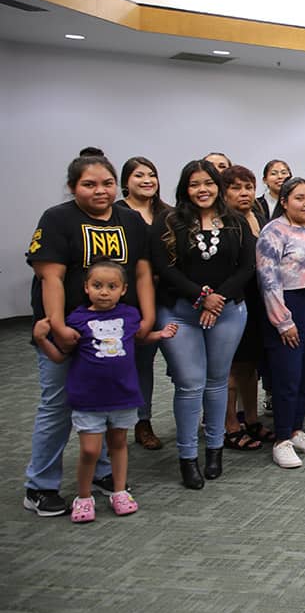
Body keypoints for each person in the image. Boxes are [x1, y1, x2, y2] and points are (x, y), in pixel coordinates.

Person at [23, 149, 155, 518]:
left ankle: (103, 475)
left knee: (111, 403)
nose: (100, 190)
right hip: (71, 331)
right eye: (89, 184)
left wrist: (147, 317)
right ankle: (40, 485)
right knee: (59, 405)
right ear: (72, 187)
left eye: (107, 183)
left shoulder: (130, 220)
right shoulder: (57, 219)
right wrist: (59, 325)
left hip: (115, 332)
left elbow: (142, 271)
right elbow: (51, 276)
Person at [32, 262, 177, 521]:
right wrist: (42, 339)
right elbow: (60, 356)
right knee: (89, 450)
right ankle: (84, 496)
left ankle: (119, 491)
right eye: (97, 286)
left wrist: (159, 334)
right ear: (86, 287)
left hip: (122, 395)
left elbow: (138, 339)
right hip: (88, 397)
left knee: (118, 444)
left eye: (112, 287)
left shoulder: (130, 315)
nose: (104, 292)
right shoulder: (76, 319)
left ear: (123, 290)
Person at [152, 160, 255, 488]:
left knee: (217, 381)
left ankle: (214, 450)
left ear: (218, 187)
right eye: (195, 184)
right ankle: (187, 457)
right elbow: (164, 268)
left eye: (208, 183)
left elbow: (246, 267)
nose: (203, 190)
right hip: (181, 313)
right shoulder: (168, 222)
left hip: (227, 312)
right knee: (189, 383)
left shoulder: (236, 222)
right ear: (185, 188)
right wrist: (201, 298)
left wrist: (217, 299)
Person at [256, 177, 305, 468]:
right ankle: (281, 439)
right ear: (285, 201)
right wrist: (282, 321)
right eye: (300, 198)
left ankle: (297, 429)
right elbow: (268, 280)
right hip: (290, 305)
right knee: (287, 374)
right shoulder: (273, 231)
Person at [117, 156, 170, 451]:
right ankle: (134, 422)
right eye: (139, 175)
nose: (147, 180)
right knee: (133, 364)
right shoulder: (117, 214)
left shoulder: (168, 213)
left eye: (152, 174)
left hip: (167, 298)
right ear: (126, 181)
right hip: (130, 300)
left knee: (164, 365)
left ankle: (146, 421)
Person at [220, 165, 271, 451]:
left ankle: (251, 419)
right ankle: (230, 425)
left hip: (258, 299)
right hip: (233, 301)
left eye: (248, 187)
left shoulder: (259, 217)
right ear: (224, 192)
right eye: (236, 188)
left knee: (250, 366)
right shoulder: (223, 222)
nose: (244, 193)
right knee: (230, 366)